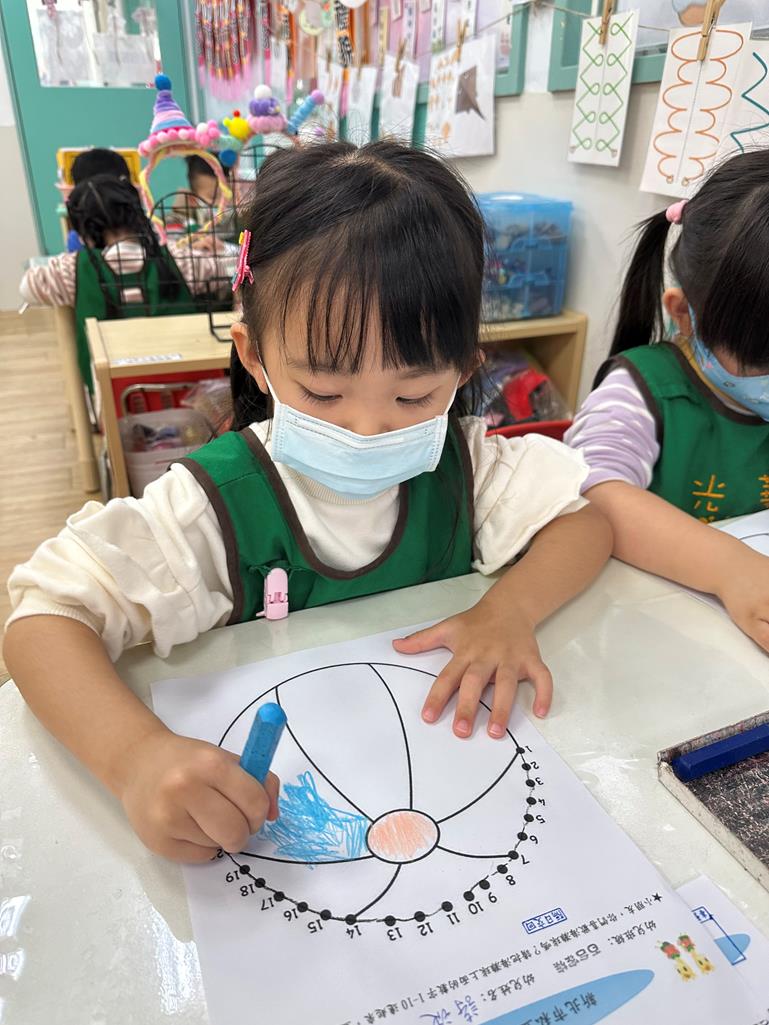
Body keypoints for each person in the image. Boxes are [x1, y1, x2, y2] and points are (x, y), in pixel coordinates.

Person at [5, 141, 611, 864]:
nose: (366, 428)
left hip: (432, 780)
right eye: (323, 392)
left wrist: (508, 610)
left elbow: (585, 524)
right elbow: (43, 620)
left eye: (414, 395)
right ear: (254, 356)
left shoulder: (467, 465)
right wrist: (134, 757)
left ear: (463, 370)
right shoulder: (216, 504)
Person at [565, 148, 769, 651]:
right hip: (643, 633)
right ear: (683, 315)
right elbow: (590, 493)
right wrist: (730, 569)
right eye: (761, 360)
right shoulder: (643, 392)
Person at [21, 174, 235, 390]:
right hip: (192, 385)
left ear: (83, 232)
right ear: (137, 215)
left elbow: (27, 288)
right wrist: (216, 249)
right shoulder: (180, 259)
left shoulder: (72, 270)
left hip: (114, 393)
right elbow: (231, 269)